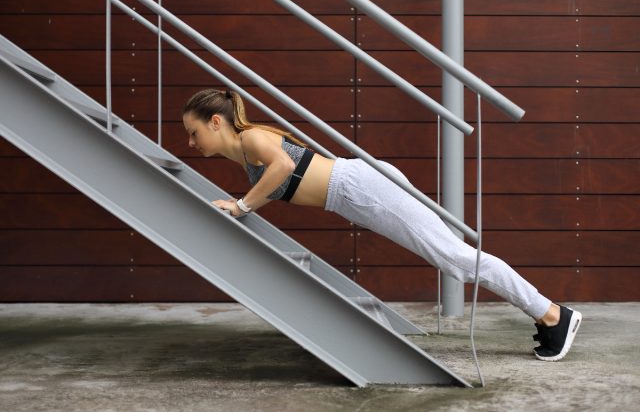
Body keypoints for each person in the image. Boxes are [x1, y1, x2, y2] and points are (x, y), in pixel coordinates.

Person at [182, 88, 582, 362]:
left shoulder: (251, 140)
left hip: (360, 189)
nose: (191, 142)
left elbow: (284, 166)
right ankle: (548, 315)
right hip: (359, 189)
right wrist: (243, 204)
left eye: (194, 132)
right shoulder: (245, 151)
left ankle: (552, 315)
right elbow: (281, 179)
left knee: (457, 261)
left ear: (216, 122)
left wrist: (241, 206)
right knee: (455, 257)